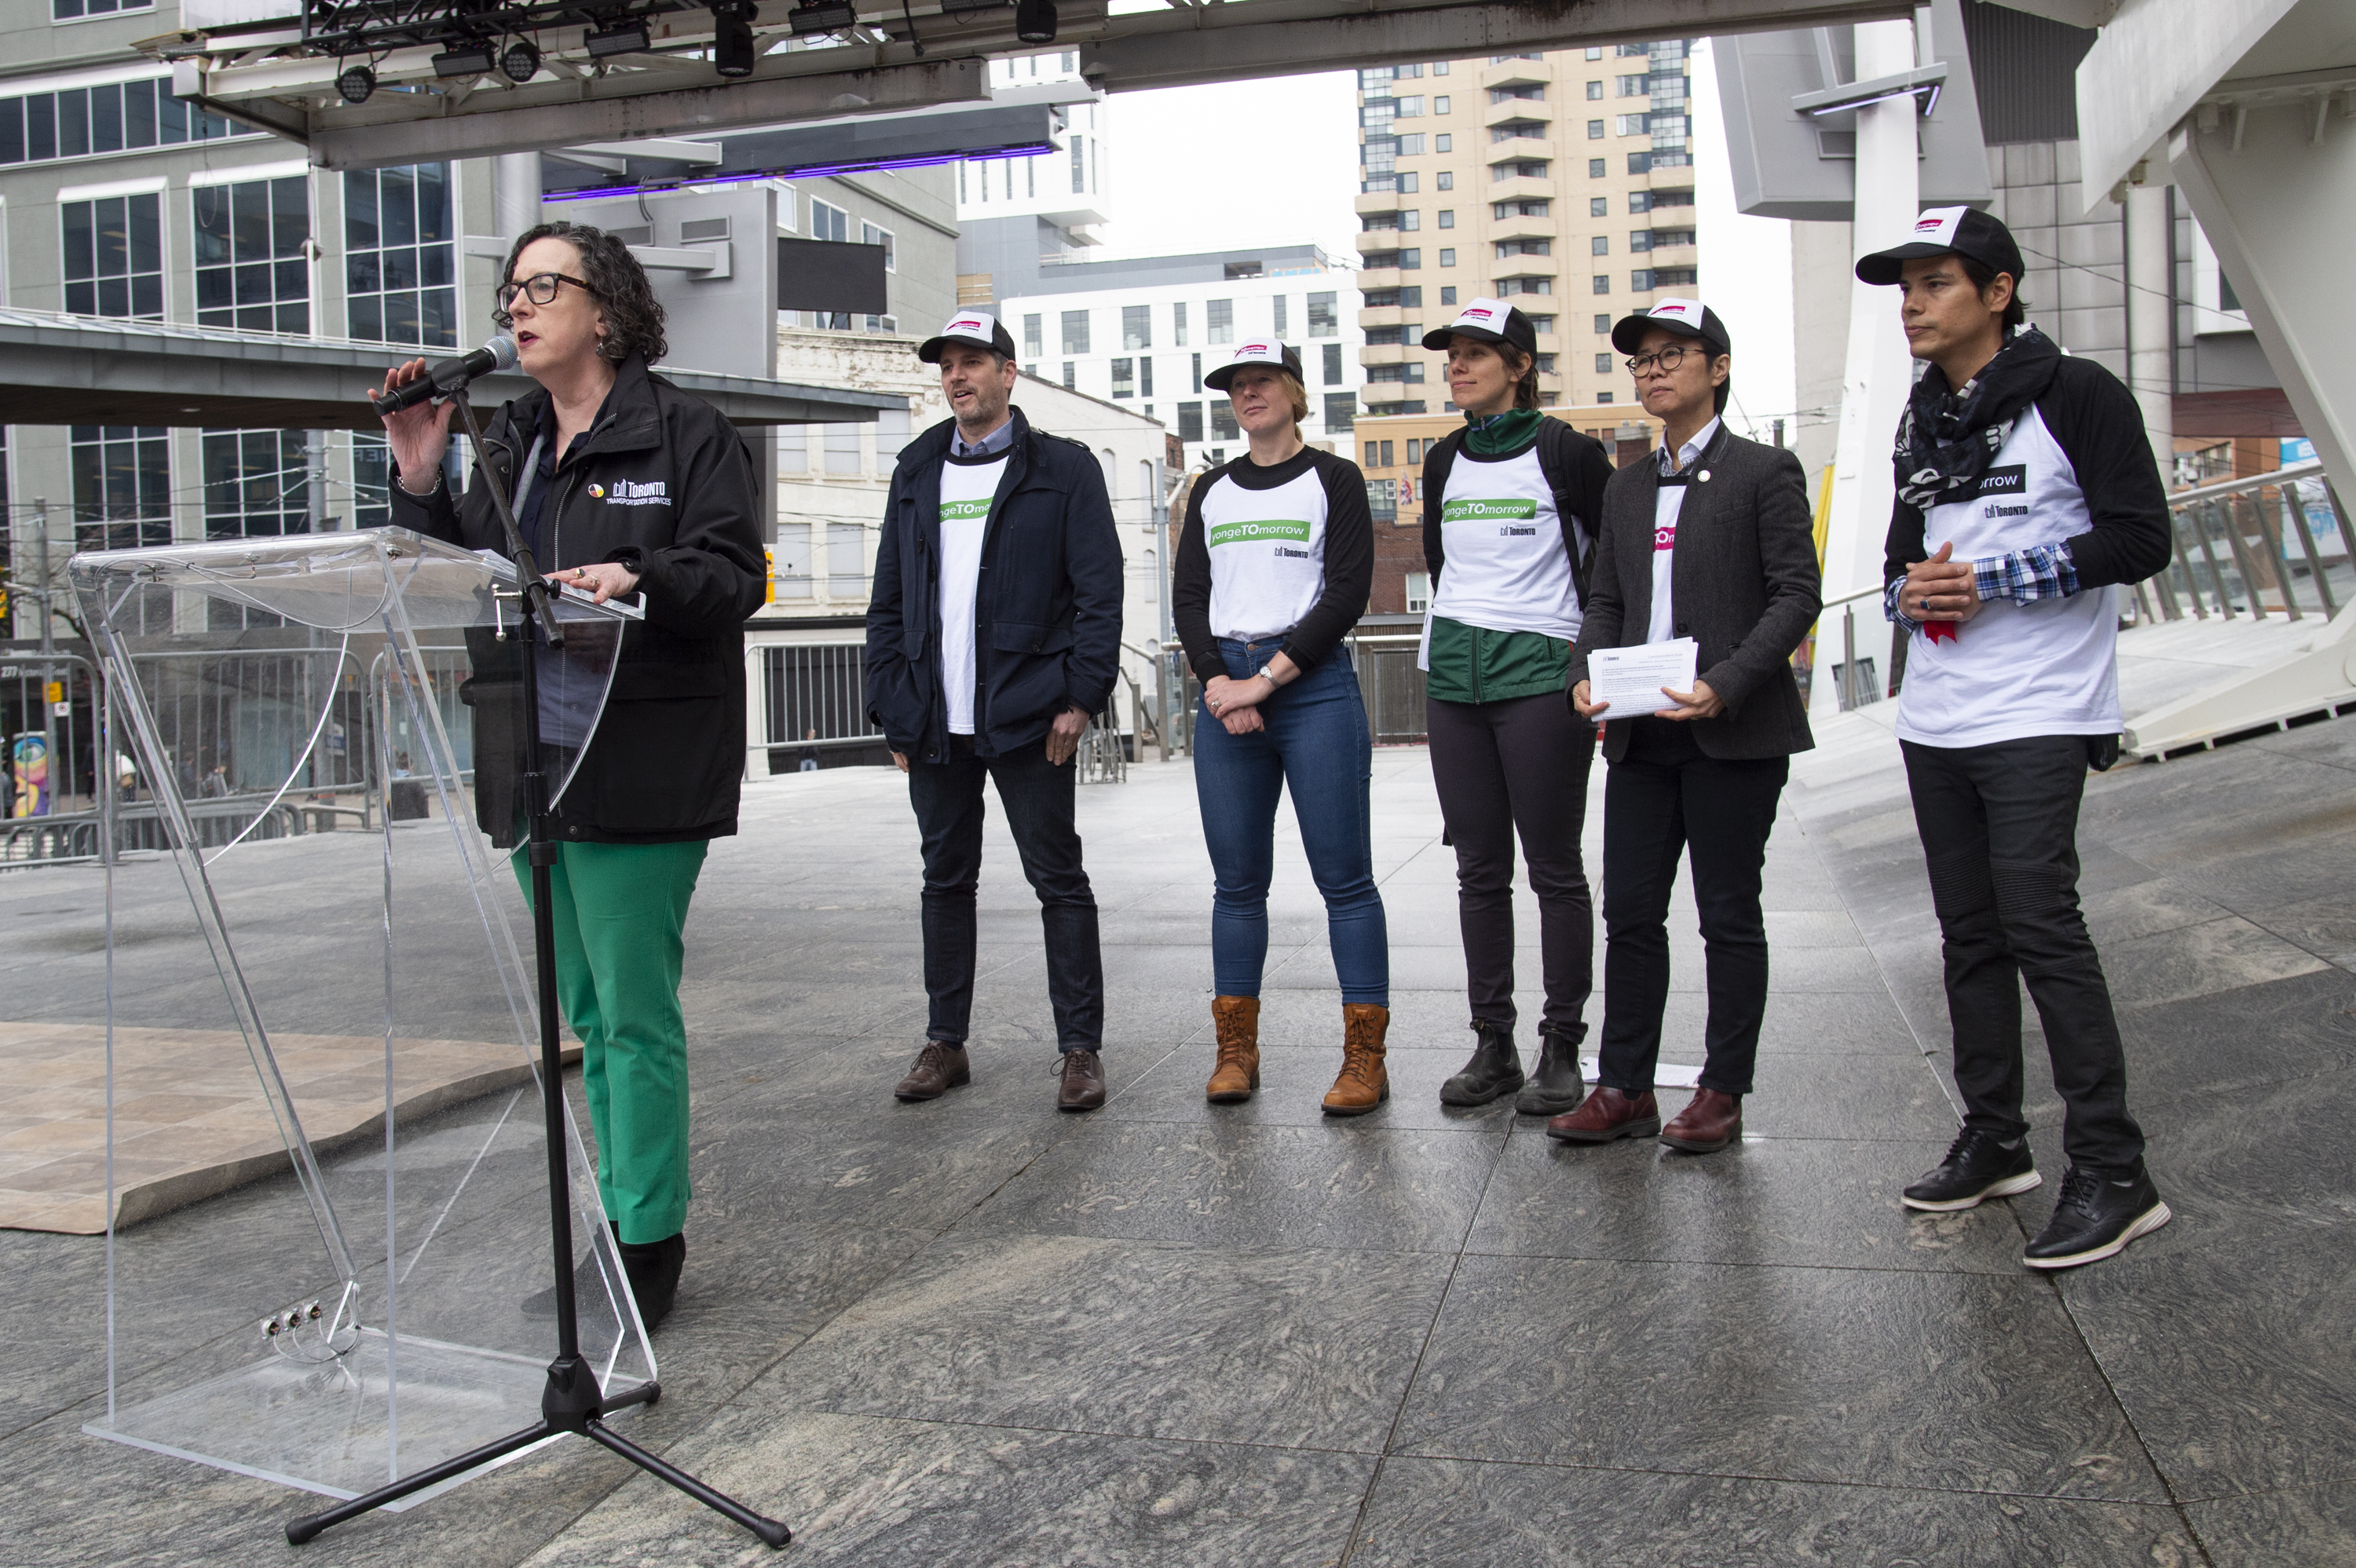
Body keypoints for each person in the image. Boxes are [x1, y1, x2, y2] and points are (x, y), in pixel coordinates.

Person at [375, 218, 766, 1329]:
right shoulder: (506, 439)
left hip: (640, 753)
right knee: (587, 1014)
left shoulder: (684, 430)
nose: (519, 305)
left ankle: (648, 1238)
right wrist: (418, 476)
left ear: (607, 310)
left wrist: (634, 574)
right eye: (511, 289)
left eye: (545, 285)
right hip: (531, 757)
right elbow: (456, 574)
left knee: (633, 1011)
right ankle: (620, 1212)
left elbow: (736, 575)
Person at [1860, 207, 2174, 1268]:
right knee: (1969, 936)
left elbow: (2142, 536)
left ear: (1997, 293)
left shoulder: (2076, 395)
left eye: (1936, 283)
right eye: (1904, 286)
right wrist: (1917, 593)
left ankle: (2116, 1171)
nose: (1912, 304)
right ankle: (1995, 1137)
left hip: (2042, 706)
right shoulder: (1922, 419)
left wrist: (1989, 579)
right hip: (1941, 711)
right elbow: (1906, 563)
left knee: (2044, 925)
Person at [1558, 298, 1820, 1153]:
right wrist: (1584, 676)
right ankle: (1626, 1084)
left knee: (1727, 913)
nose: (1654, 370)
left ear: (1718, 367)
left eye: (1674, 354)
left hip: (1732, 731)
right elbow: (1604, 598)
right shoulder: (1627, 485)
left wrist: (1729, 681)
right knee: (1631, 912)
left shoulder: (1763, 470)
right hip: (1641, 732)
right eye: (1640, 360)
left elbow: (1795, 594)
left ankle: (1721, 1088)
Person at [865, 312, 1124, 1112]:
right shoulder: (916, 469)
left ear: (1009, 373)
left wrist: (1081, 696)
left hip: (1029, 714)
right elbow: (888, 602)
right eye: (947, 365)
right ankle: (946, 1041)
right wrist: (892, 707)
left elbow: (1099, 592)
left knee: (1058, 879)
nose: (956, 376)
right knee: (944, 879)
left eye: (972, 361)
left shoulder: (1065, 468)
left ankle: (1080, 1048)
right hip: (935, 722)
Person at [1173, 341, 1388, 1113]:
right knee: (1236, 884)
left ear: (1295, 391)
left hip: (1313, 686)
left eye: (1262, 380)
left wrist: (1267, 679)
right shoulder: (1211, 490)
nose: (1248, 393)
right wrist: (1220, 680)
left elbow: (1346, 592)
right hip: (1227, 683)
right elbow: (1190, 595)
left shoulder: (1336, 478)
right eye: (1236, 384)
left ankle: (1365, 1058)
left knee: (1346, 880)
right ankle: (1237, 1049)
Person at [1416, 298, 1616, 1116]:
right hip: (1452, 683)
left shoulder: (1569, 451)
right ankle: (1491, 1041)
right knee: (1476, 869)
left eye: (1476, 353)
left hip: (1541, 674)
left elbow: (1610, 569)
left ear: (1521, 365)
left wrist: (1588, 664)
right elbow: (1439, 564)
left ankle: (1562, 1041)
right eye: (1452, 355)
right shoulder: (1443, 460)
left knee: (1555, 867)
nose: (1457, 366)